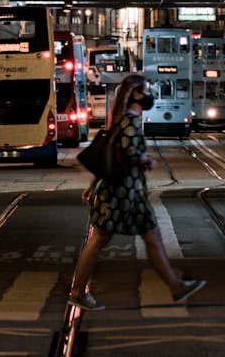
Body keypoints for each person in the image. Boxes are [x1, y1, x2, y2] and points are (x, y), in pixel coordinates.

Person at [68, 74, 206, 311]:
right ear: (136, 95)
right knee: (105, 238)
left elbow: (111, 156)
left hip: (120, 190)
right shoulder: (129, 122)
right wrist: (147, 160)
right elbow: (129, 153)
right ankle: (78, 291)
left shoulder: (120, 120)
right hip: (124, 193)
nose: (150, 96)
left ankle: (176, 287)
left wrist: (93, 185)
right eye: (147, 91)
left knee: (149, 237)